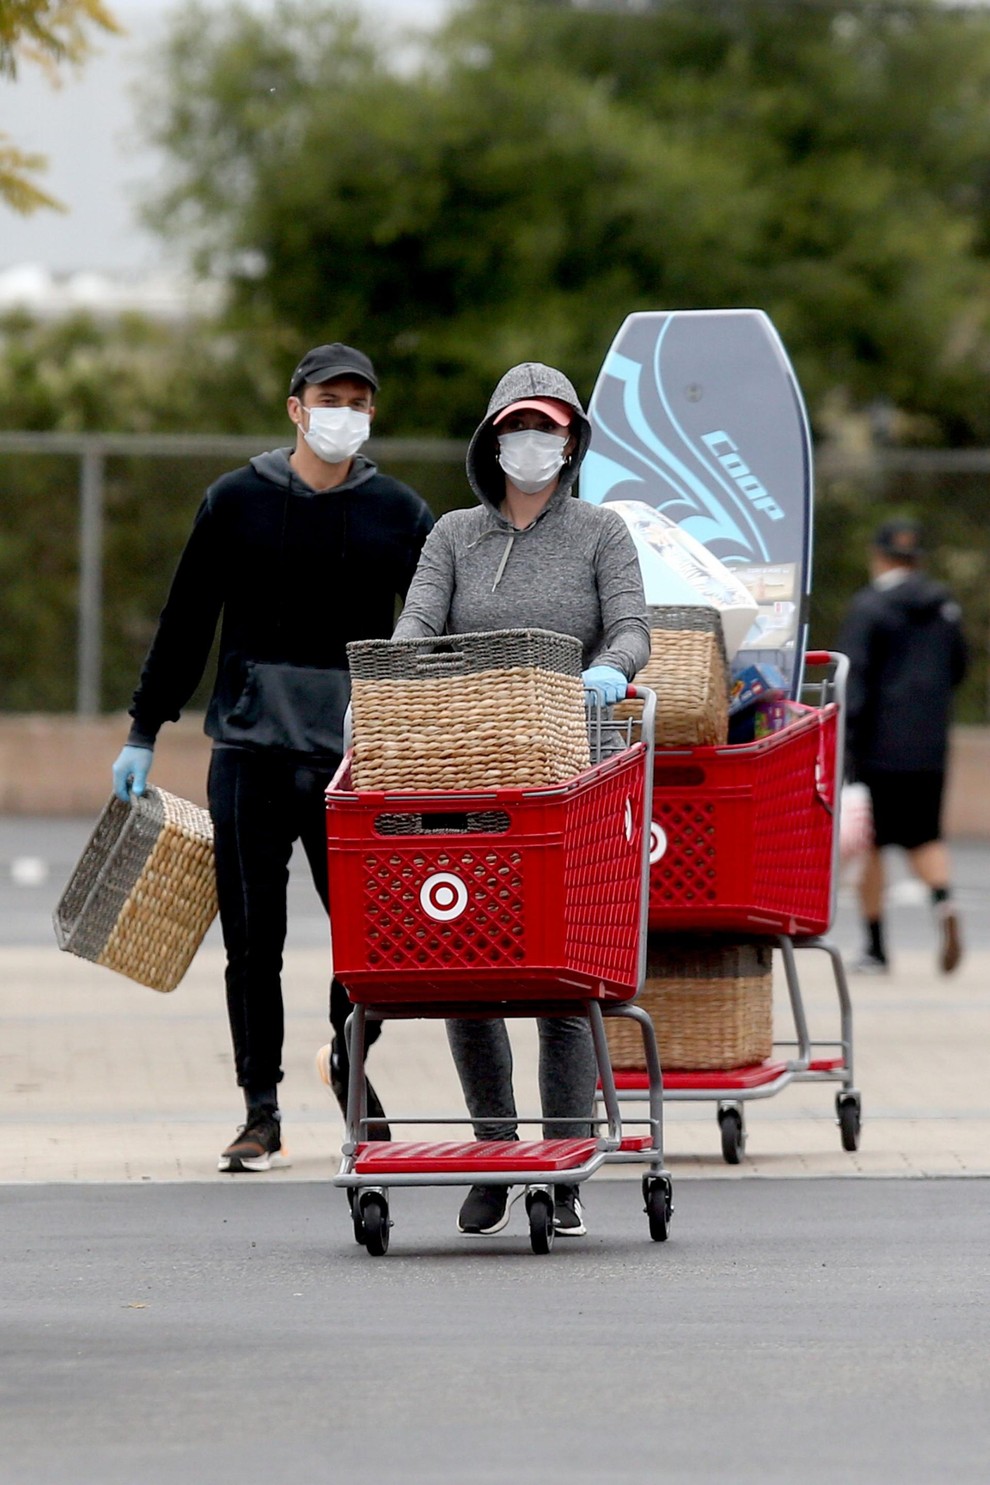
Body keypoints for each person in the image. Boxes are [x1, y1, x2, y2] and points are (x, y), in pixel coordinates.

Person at [112, 343, 434, 1171]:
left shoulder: (400, 513)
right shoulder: (235, 502)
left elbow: (437, 627)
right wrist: (145, 730)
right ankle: (261, 1111)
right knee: (253, 942)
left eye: (360, 402)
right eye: (331, 398)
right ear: (296, 406)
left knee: (374, 936)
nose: (345, 415)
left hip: (354, 765)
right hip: (250, 753)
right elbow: (185, 623)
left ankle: (346, 1062)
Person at [391, 361, 650, 1237]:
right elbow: (419, 621)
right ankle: (496, 1152)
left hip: (567, 771)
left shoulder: (600, 531)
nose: (531, 443)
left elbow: (631, 624)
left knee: (556, 977)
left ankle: (565, 1162)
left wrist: (611, 667)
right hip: (467, 771)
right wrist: (392, 675)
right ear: (492, 438)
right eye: (516, 427)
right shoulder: (454, 534)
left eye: (547, 428)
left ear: (571, 439)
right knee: (469, 964)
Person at [839, 517, 968, 976]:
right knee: (925, 836)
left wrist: (847, 741)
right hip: (929, 746)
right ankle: (944, 901)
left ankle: (875, 948)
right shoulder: (944, 606)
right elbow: (958, 668)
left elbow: (853, 680)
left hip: (877, 746)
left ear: (879, 556)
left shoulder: (869, 607)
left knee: (872, 844)